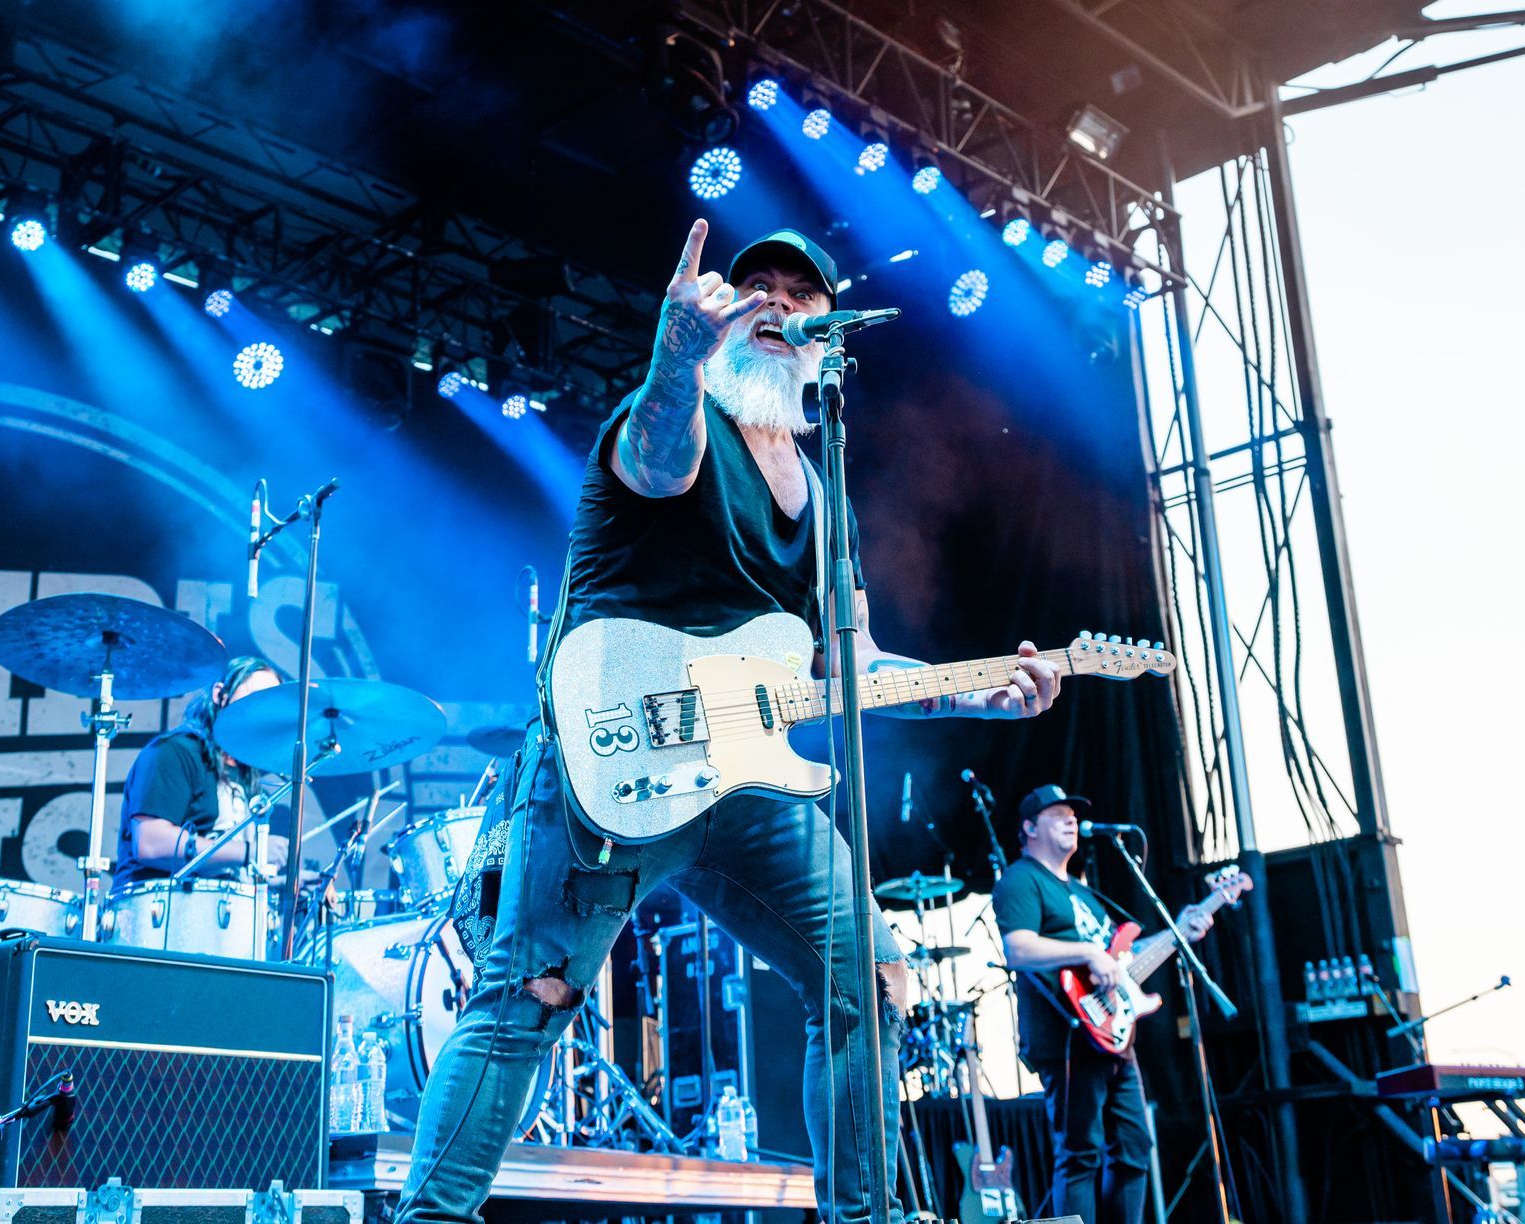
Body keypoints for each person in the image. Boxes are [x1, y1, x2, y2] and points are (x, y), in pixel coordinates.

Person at [396, 219, 1065, 1224]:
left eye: (803, 297)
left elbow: (851, 663)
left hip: (746, 784)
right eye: (761, 290)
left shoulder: (824, 487)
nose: (780, 307)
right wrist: (675, 359)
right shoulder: (675, 412)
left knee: (872, 975)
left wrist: (971, 687)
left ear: (828, 334)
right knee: (526, 998)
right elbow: (659, 462)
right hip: (613, 759)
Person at [990, 784, 1214, 1224]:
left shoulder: (1084, 894)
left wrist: (1179, 931)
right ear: (1030, 828)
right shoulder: (1021, 879)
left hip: (1112, 1034)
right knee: (1080, 1153)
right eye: (1058, 814)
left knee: (1134, 1147)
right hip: (1067, 1035)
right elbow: (1018, 949)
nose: (1071, 818)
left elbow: (1123, 963)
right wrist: (1087, 953)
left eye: (1074, 813)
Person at [112, 655, 290, 886]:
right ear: (220, 695)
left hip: (219, 911)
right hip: (162, 910)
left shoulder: (246, 771)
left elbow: (229, 873)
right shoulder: (176, 752)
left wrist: (289, 886)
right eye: (253, 698)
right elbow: (150, 843)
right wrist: (249, 852)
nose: (260, 713)